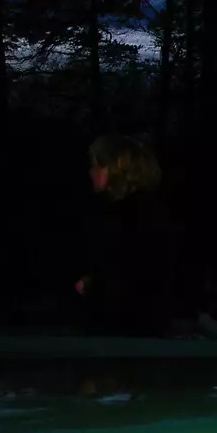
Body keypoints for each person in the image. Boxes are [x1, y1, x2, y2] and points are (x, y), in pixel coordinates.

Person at [77, 135, 175, 336]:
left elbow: (128, 277)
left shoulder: (128, 217)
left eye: (97, 166)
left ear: (115, 169)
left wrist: (93, 287)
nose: (91, 173)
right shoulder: (150, 212)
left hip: (124, 334)